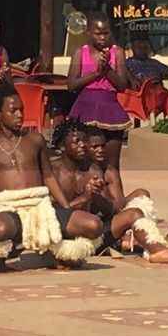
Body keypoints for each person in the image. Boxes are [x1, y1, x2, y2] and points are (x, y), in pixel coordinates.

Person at [0, 83, 102, 268]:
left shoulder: (35, 140)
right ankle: (18, 248)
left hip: (41, 206)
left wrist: (65, 208)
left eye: (21, 110)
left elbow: (48, 177)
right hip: (10, 209)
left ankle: (50, 248)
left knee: (94, 225)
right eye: (13, 111)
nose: (20, 115)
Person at [50, 119, 168, 263]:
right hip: (62, 236)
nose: (82, 145)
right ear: (62, 146)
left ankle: (158, 251)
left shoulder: (93, 170)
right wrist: (84, 198)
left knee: (134, 213)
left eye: (84, 141)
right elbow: (50, 212)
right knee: (89, 224)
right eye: (76, 142)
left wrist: (96, 197)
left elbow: (109, 212)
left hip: (93, 236)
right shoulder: (51, 172)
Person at [67, 12, 131, 198]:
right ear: (89, 32)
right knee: (84, 161)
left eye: (106, 33)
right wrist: (96, 74)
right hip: (85, 108)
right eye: (98, 33)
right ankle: (86, 198)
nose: (102, 38)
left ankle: (116, 202)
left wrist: (107, 70)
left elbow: (121, 85)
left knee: (110, 165)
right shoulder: (81, 52)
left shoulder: (117, 52)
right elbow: (71, 84)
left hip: (110, 110)